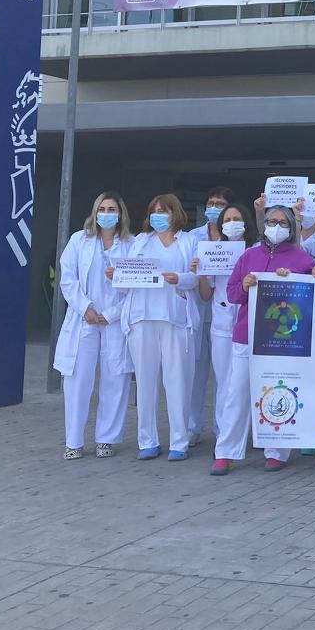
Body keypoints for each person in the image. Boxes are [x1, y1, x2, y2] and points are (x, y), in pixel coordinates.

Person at [212, 205, 315, 475]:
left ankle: (277, 451)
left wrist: (312, 275)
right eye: (271, 220)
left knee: (279, 390)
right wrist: (246, 285)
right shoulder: (248, 256)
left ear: (291, 228)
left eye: (282, 222)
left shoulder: (302, 259)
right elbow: (232, 294)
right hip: (246, 334)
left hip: (282, 339)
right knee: (235, 393)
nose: (276, 226)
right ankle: (225, 452)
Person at [113, 194, 200, 462]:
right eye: (154, 211)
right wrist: (115, 274)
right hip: (142, 317)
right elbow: (126, 279)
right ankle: (147, 440)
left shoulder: (188, 241)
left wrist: (180, 278)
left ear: (175, 213)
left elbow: (197, 277)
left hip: (175, 319)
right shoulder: (140, 241)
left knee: (177, 382)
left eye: (163, 211)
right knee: (146, 383)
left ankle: (179, 442)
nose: (158, 215)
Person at [54, 191, 134, 460]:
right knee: (78, 381)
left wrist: (110, 314)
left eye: (113, 209)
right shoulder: (80, 240)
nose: (107, 214)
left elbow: (136, 288)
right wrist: (85, 307)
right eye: (103, 208)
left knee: (115, 380)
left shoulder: (132, 245)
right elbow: (68, 278)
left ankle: (106, 439)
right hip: (84, 319)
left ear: (120, 213)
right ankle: (73, 441)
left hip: (113, 321)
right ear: (95, 211)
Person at [193, 204, 257, 465]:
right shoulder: (213, 251)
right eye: (227, 220)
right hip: (220, 324)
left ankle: (250, 435)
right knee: (224, 384)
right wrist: (200, 273)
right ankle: (224, 438)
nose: (232, 223)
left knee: (246, 382)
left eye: (237, 219)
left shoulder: (254, 252)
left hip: (249, 325)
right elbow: (206, 295)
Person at [186, 186, 235, 447]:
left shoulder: (233, 239)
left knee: (223, 375)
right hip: (197, 311)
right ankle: (192, 427)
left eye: (219, 203)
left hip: (222, 315)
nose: (214, 207)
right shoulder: (192, 237)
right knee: (196, 374)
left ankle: (221, 430)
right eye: (211, 202)